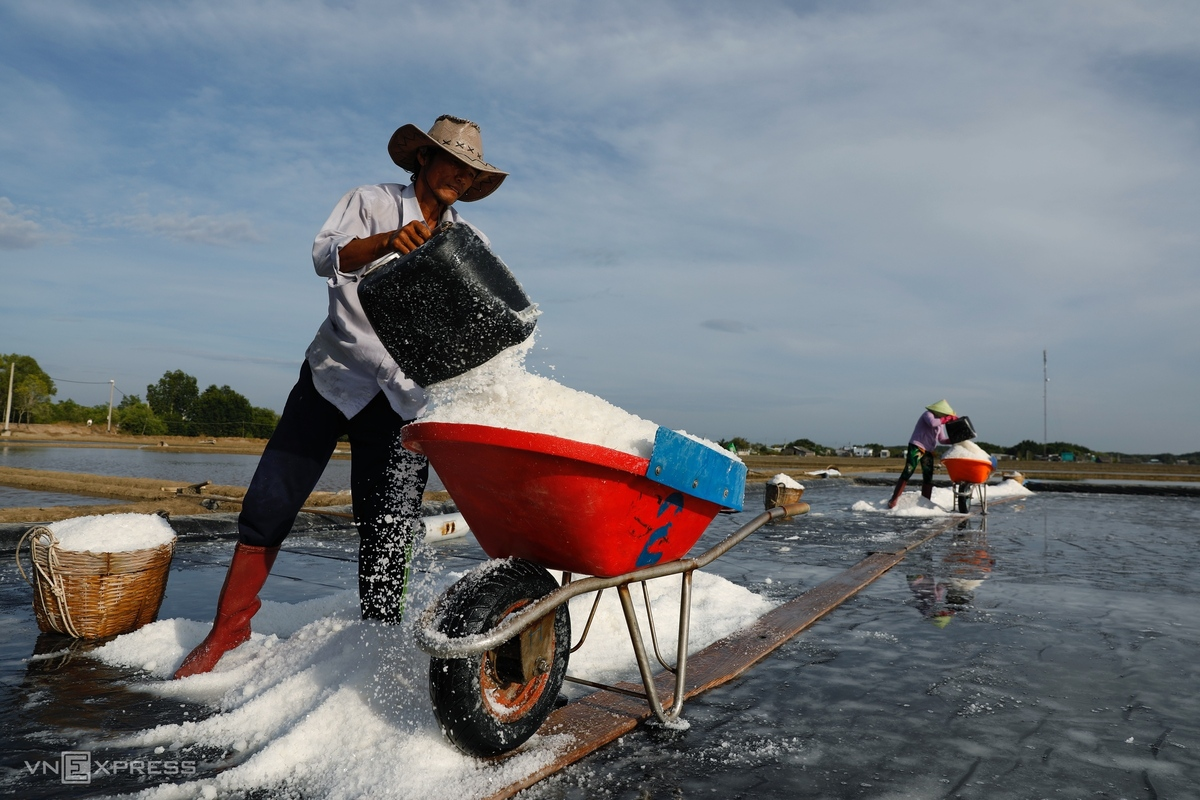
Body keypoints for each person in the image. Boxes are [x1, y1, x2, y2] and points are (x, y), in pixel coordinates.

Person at [175, 115, 508, 679]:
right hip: (335, 376)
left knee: (388, 524)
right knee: (269, 502)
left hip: (404, 399)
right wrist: (385, 244)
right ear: (421, 159)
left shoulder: (469, 242)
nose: (459, 174)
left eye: (469, 169)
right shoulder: (372, 201)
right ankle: (227, 632)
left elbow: (473, 324)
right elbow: (325, 257)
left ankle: (375, 646)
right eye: (450, 160)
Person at [887, 399, 958, 509]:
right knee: (909, 470)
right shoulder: (928, 414)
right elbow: (932, 423)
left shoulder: (941, 424)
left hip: (928, 451)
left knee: (928, 476)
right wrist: (947, 419)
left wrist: (953, 439)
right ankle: (894, 499)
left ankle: (926, 502)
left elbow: (942, 439)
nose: (945, 417)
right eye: (945, 415)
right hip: (917, 446)